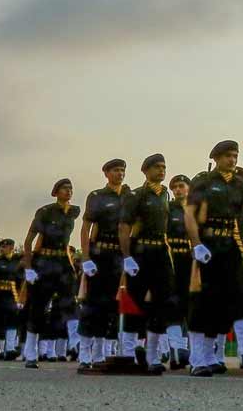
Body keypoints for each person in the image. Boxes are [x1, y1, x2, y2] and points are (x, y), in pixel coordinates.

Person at [184, 140, 243, 378]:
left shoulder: (240, 185)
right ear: (217, 158)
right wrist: (197, 244)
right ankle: (197, 359)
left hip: (230, 245)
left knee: (231, 298)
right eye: (228, 156)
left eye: (235, 156)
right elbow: (190, 215)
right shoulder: (203, 181)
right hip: (208, 243)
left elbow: (240, 219)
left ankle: (216, 355)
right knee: (203, 300)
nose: (232, 160)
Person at [119, 153, 178, 375]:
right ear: (146, 170)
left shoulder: (165, 194)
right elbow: (124, 227)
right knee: (134, 301)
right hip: (140, 251)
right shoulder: (136, 195)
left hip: (160, 251)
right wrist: (127, 256)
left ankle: (152, 354)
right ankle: (129, 351)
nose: (162, 170)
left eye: (164, 167)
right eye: (157, 167)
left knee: (162, 302)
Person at [23, 179, 79, 369]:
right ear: (55, 192)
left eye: (71, 189)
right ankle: (31, 351)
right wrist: (29, 268)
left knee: (70, 300)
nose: (68, 192)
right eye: (64, 189)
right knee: (38, 307)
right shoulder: (45, 211)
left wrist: (71, 266)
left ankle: (76, 341)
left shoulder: (73, 212)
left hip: (63, 261)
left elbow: (65, 244)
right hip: (44, 262)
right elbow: (29, 241)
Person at [79, 159, 131, 365]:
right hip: (100, 254)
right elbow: (86, 228)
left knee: (112, 304)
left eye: (123, 170)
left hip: (119, 255)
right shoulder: (97, 196)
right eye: (116, 170)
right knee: (92, 303)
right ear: (106, 173)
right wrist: (85, 257)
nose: (120, 174)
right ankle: (84, 350)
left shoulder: (129, 196)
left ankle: (100, 351)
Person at [166, 174, 193, 369]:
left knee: (191, 306)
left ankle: (191, 352)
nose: (177, 190)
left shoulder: (195, 209)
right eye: (174, 187)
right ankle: (176, 352)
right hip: (173, 258)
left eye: (181, 186)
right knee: (174, 306)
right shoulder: (168, 209)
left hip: (191, 261)